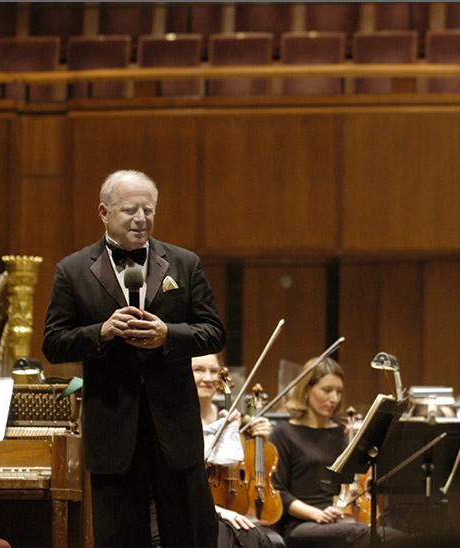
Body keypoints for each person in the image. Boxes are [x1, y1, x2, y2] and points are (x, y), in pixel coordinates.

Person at [42, 169, 226, 547]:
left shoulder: (184, 263)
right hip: (112, 430)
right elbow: (54, 343)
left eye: (149, 209)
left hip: (174, 428)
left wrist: (168, 335)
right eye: (130, 209)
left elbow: (214, 332)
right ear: (104, 212)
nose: (141, 218)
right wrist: (101, 331)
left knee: (190, 537)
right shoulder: (72, 270)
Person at [269, 357, 405, 547]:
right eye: (327, 390)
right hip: (303, 525)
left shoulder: (342, 434)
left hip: (341, 520)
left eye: (339, 392)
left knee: (390, 535)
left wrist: (364, 443)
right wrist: (316, 513)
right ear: (307, 390)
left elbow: (365, 482)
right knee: (370, 535)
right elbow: (277, 491)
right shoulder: (283, 433)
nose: (334, 399)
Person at [191, 353, 285, 548]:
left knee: (271, 541)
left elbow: (248, 468)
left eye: (213, 371)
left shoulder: (235, 421)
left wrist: (260, 438)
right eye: (199, 370)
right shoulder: (174, 422)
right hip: (193, 509)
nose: (208, 378)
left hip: (234, 505)